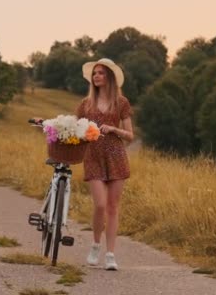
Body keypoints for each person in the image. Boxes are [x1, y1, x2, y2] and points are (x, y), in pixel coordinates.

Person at [76, 58, 134, 271]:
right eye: (95, 73)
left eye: (100, 73)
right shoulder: (85, 104)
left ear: (109, 77)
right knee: (100, 204)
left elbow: (130, 135)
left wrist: (114, 129)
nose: (96, 76)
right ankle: (95, 244)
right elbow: (77, 129)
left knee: (112, 207)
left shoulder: (122, 103)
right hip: (93, 156)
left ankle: (110, 254)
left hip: (116, 156)